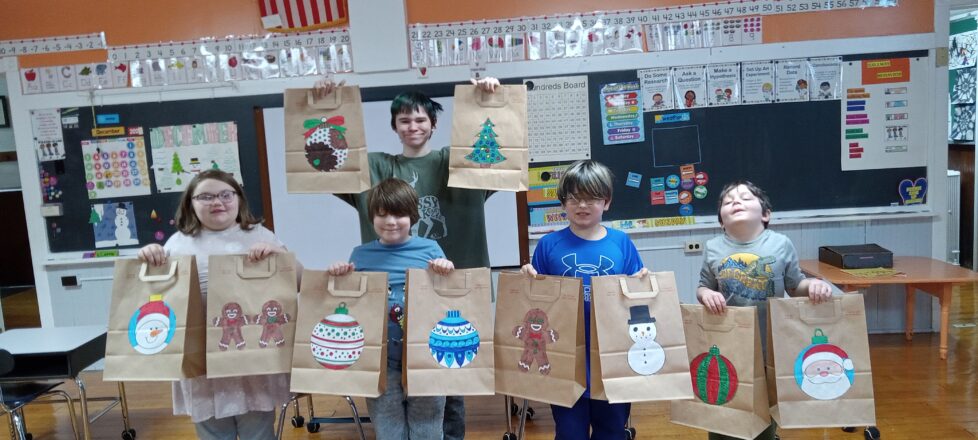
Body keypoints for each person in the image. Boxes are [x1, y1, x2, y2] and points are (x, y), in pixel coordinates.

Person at [315, 76, 501, 439]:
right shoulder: (377, 169)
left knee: (449, 381)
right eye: (404, 119)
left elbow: (498, 149)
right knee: (395, 391)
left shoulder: (457, 162)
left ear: (434, 124)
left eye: (420, 119)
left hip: (451, 292)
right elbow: (327, 164)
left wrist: (488, 100)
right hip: (388, 300)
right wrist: (327, 107)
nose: (412, 126)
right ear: (394, 126)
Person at [137, 169, 298, 440]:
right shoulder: (178, 243)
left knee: (257, 431)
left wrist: (280, 256)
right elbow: (154, 296)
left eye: (226, 194)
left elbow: (298, 282)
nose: (217, 202)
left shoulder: (259, 235)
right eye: (206, 196)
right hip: (202, 360)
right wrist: (150, 254)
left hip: (251, 358)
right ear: (191, 203)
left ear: (238, 199)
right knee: (212, 432)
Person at [520, 160, 648, 440]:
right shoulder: (548, 245)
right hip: (565, 355)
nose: (582, 204)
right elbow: (536, 300)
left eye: (591, 197)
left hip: (611, 354)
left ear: (607, 202)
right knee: (569, 432)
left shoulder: (621, 242)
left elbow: (636, 296)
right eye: (574, 197)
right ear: (563, 203)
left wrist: (642, 280)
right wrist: (528, 277)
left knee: (612, 430)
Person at [696, 180, 833, 440]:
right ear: (721, 221)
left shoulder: (780, 244)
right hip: (727, 342)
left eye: (745, 198)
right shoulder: (713, 247)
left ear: (766, 214)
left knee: (765, 410)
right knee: (723, 403)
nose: (736, 202)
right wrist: (707, 294)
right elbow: (703, 287)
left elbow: (795, 286)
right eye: (728, 201)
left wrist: (814, 285)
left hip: (769, 344)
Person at [325, 178, 455, 439]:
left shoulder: (429, 249)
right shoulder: (360, 254)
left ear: (413, 216)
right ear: (372, 218)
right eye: (382, 215)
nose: (391, 222)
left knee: (428, 426)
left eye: (399, 214)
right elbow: (349, 302)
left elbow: (448, 295)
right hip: (380, 361)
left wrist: (446, 268)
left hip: (425, 356)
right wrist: (339, 274)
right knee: (388, 427)